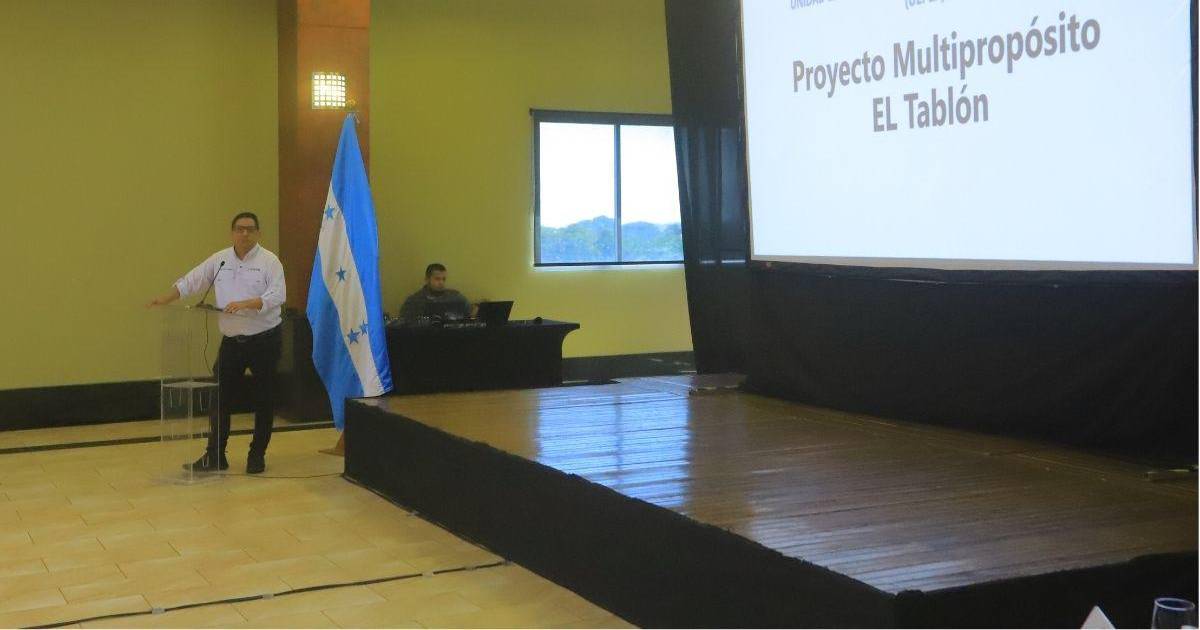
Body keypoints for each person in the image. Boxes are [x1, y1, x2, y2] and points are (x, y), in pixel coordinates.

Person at [148, 211, 286, 474]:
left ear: (258, 233)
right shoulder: (220, 260)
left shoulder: (270, 262)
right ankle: (215, 455)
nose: (244, 234)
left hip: (265, 340)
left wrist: (246, 304)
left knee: (264, 399)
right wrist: (165, 299)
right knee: (219, 397)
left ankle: (257, 455)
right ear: (232, 232)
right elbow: (192, 281)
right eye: (239, 229)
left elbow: (278, 295)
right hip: (232, 342)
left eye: (250, 229)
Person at [398, 263, 471, 323]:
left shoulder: (455, 297)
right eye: (437, 279)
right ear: (427, 280)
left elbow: (470, 314)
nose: (441, 282)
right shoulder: (414, 301)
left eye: (444, 279)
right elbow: (404, 324)